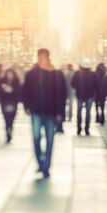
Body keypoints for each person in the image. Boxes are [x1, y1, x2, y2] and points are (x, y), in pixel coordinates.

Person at [23, 49, 66, 178]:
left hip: (51, 113)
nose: (42, 59)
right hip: (36, 111)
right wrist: (27, 106)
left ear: (48, 58)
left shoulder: (56, 74)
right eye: (40, 56)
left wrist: (60, 112)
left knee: (50, 140)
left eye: (44, 57)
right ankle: (40, 161)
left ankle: (46, 165)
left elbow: (62, 94)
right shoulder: (31, 74)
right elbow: (25, 90)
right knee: (36, 137)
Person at [72, 59, 98, 136]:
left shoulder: (77, 73)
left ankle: (79, 129)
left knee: (79, 112)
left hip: (80, 96)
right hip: (90, 96)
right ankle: (87, 130)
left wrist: (78, 88)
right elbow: (97, 85)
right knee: (88, 113)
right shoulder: (93, 74)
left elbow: (73, 84)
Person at [0, 68, 21, 143]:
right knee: (6, 118)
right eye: (8, 74)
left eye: (11, 74)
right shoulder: (1, 81)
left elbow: (19, 91)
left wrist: (12, 90)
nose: (10, 75)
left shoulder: (16, 81)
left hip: (13, 102)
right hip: (5, 102)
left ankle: (10, 129)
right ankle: (7, 131)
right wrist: (3, 90)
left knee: (12, 118)